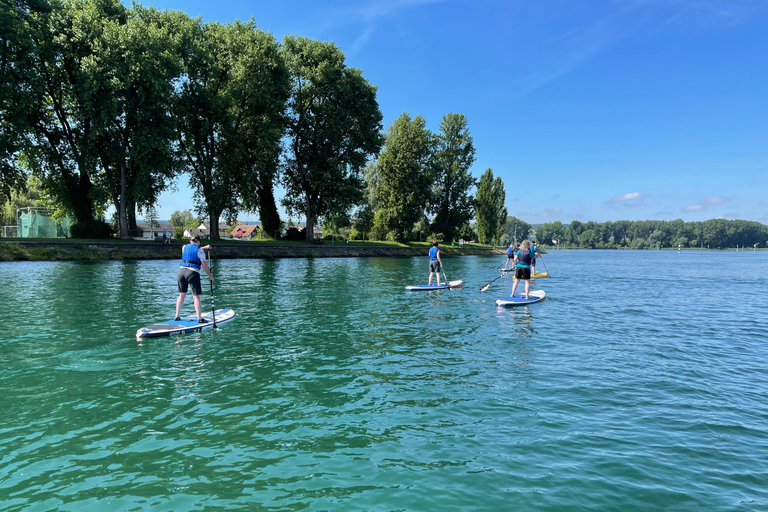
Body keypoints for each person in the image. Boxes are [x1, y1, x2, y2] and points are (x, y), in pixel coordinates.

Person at [175, 234, 213, 322]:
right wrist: (210, 276)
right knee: (196, 297)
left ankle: (177, 316)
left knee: (182, 294)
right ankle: (199, 318)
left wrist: (204, 247)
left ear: (190, 241)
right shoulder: (200, 251)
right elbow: (204, 266)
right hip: (192, 273)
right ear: (198, 242)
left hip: (181, 272)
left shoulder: (184, 247)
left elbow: (193, 249)